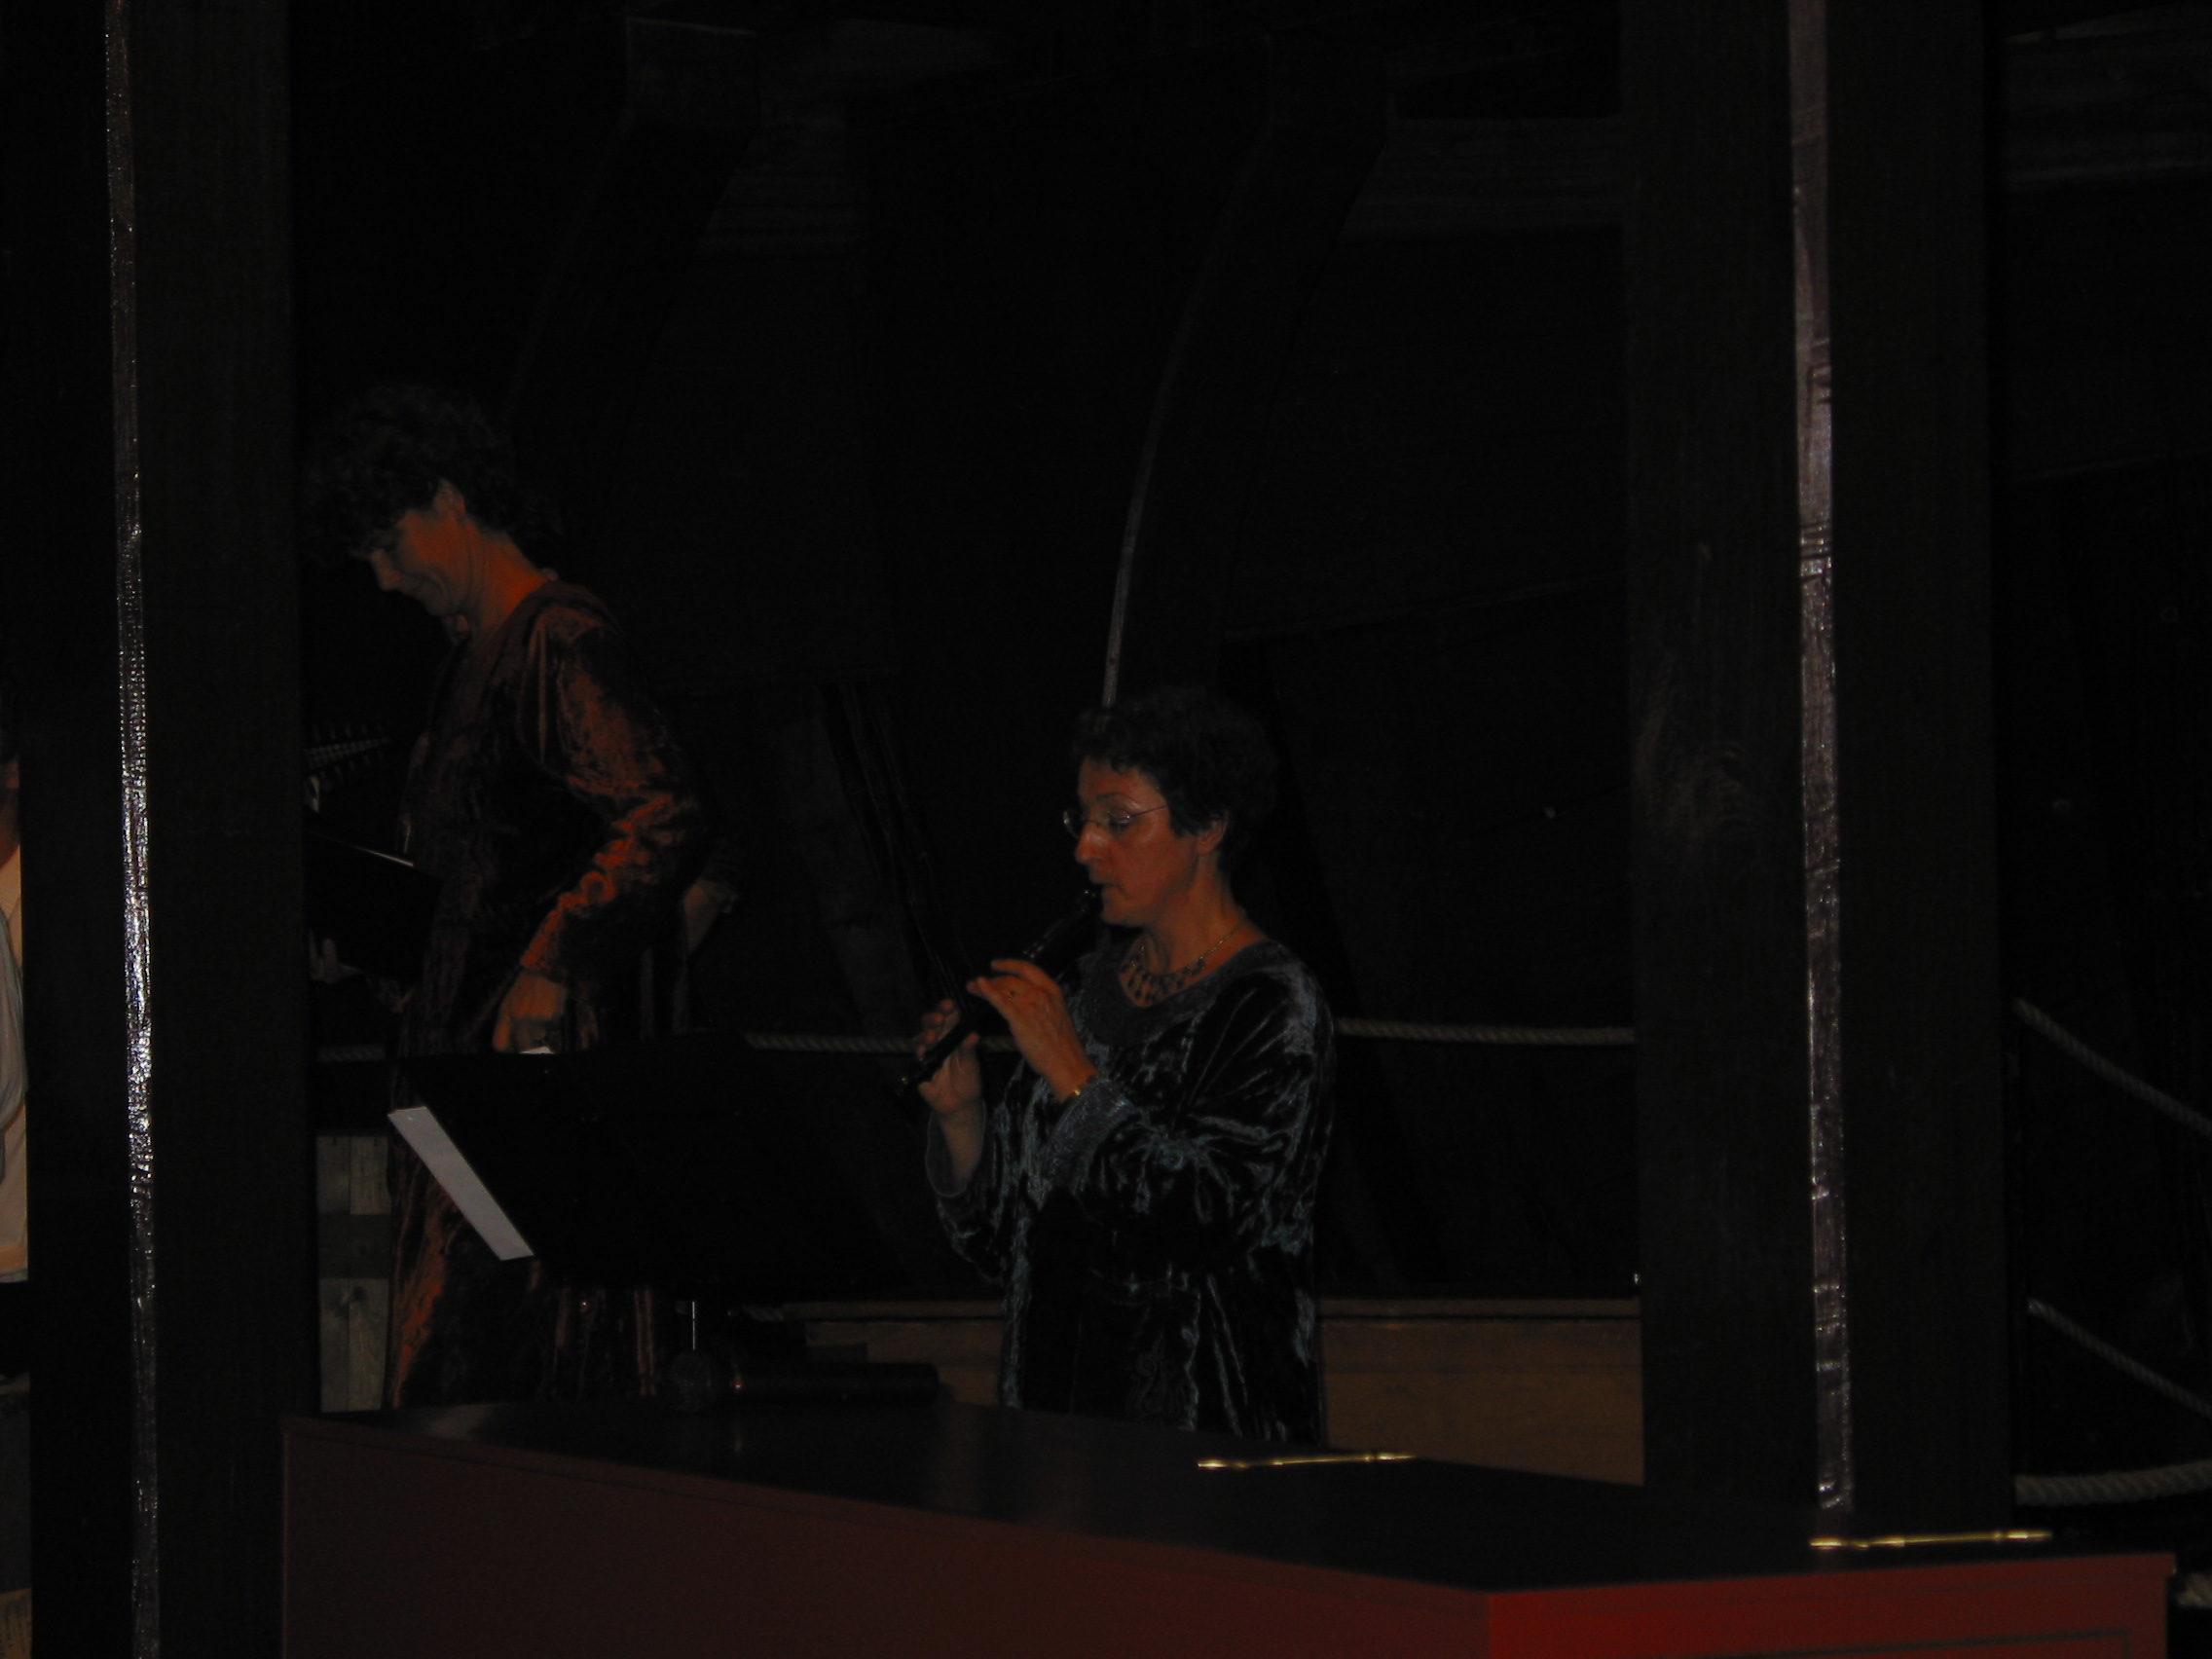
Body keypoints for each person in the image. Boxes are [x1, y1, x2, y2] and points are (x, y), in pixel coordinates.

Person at [303, 384, 710, 1406]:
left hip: (521, 1082)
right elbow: (473, 887)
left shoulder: (557, 639)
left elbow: (660, 810)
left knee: (480, 1360)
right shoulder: (466, 667)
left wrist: (549, 965)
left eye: (391, 544)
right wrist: (375, 949)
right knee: (455, 1359)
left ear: (450, 499)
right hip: (454, 1069)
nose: (386, 579)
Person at [914, 686, 1334, 1443]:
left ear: (1207, 825)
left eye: (1118, 820)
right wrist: (963, 1115)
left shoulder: (1272, 1004)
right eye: (1082, 819)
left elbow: (1201, 1221)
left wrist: (1076, 1079)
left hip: (1197, 1442)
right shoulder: (1083, 992)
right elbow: (1004, 1246)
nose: (1085, 848)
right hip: (1051, 1429)